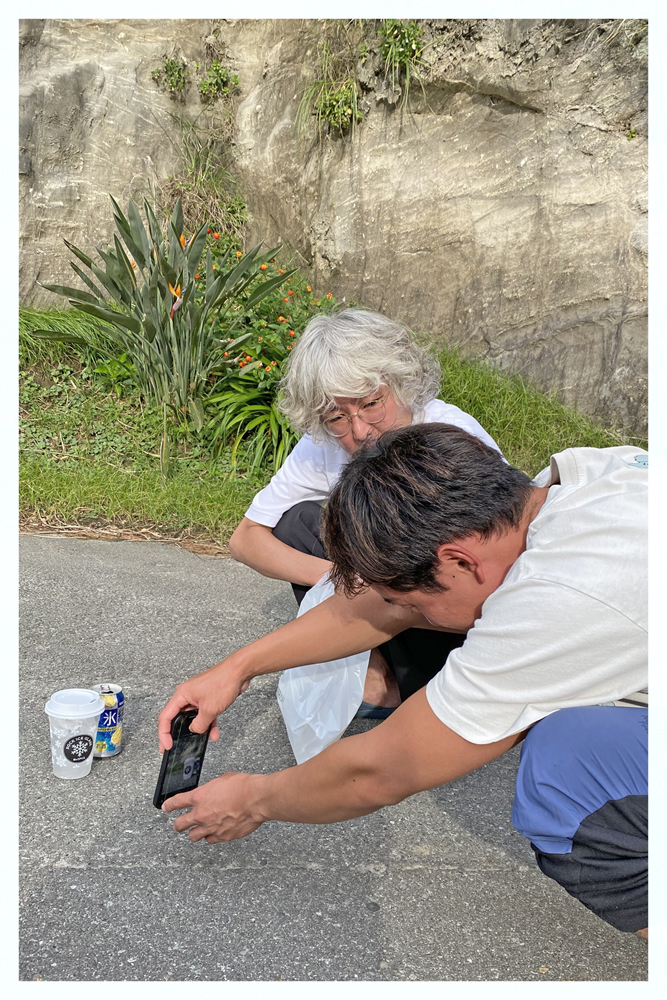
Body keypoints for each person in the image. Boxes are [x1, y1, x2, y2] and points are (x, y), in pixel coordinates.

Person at [158, 424, 648, 937]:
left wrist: (254, 800)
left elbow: (382, 770)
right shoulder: (581, 480)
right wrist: (238, 668)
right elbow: (375, 612)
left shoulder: (558, 598)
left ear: (460, 561)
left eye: (411, 603)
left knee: (569, 771)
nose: (406, 613)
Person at [228, 308, 502, 715]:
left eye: (372, 404)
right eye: (337, 416)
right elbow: (246, 538)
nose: (359, 431)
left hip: (453, 618)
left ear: (401, 384)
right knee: (298, 522)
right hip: (386, 598)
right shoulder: (327, 442)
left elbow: (490, 566)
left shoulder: (452, 437)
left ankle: (443, 687)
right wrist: (336, 580)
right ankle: (375, 679)